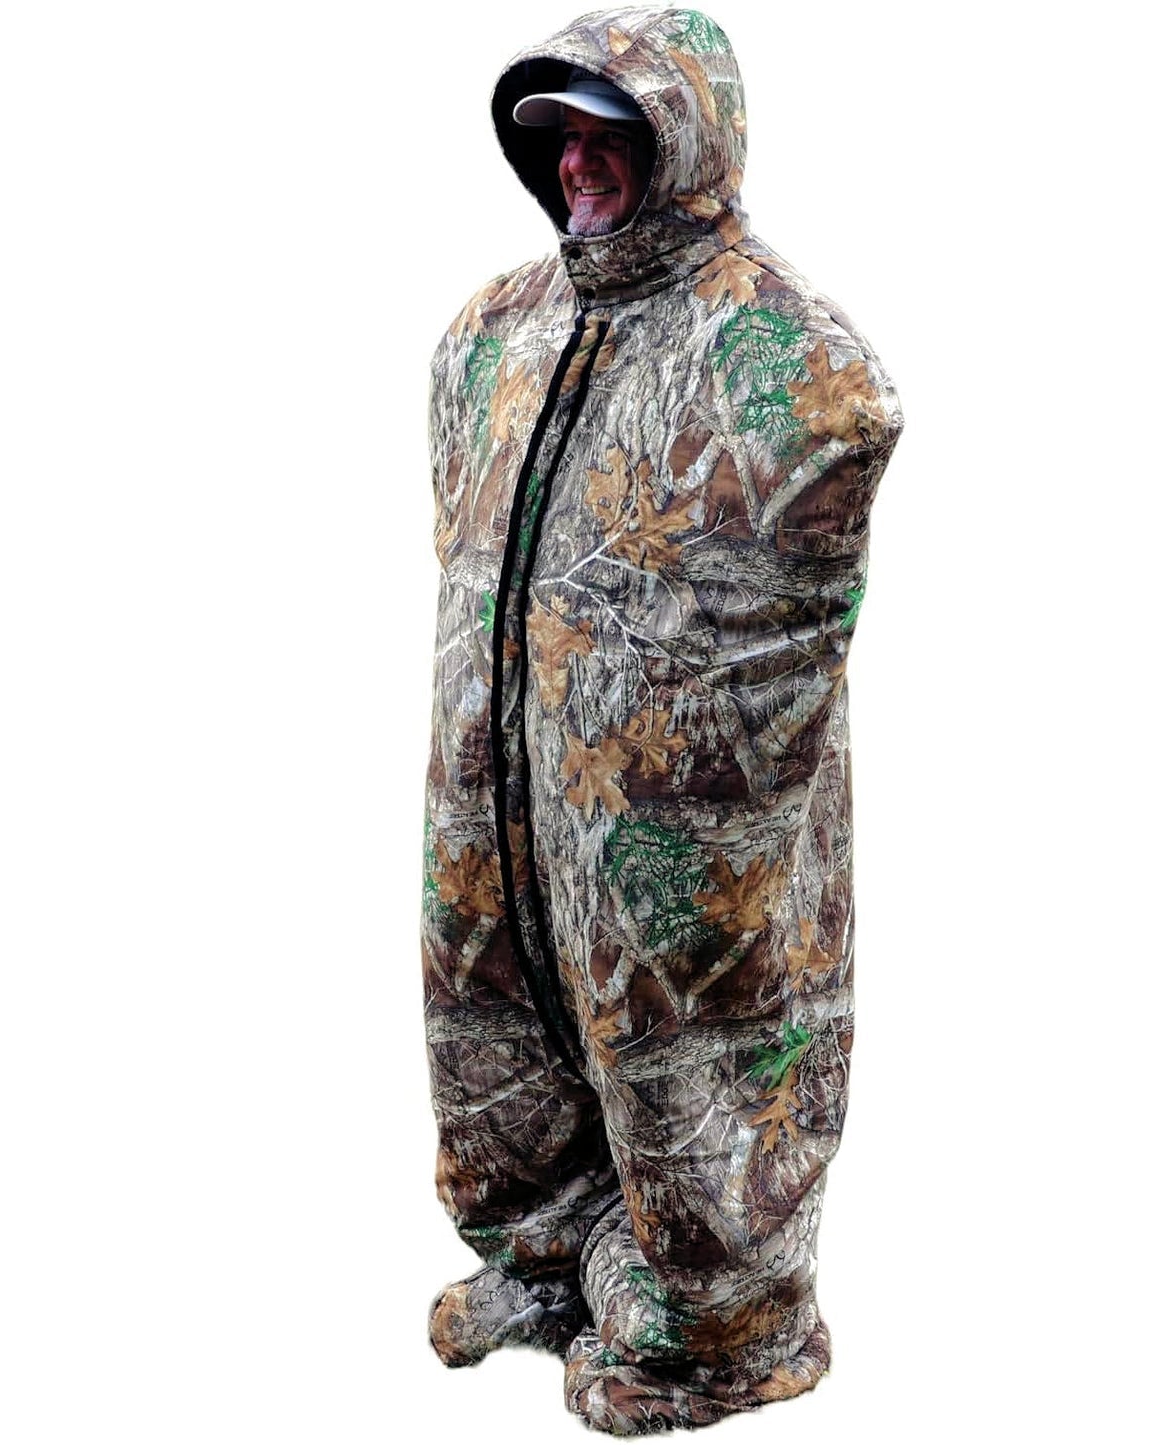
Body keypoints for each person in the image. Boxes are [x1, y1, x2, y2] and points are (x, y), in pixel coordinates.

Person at [420, 7, 903, 1433]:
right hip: (499, 779)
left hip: (676, 823)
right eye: (557, 137)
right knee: (492, 1002)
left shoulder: (789, 355)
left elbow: (820, 516)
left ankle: (718, 1333)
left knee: (687, 1041)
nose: (576, 161)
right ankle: (549, 1255)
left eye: (609, 133)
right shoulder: (494, 333)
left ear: (685, 140)